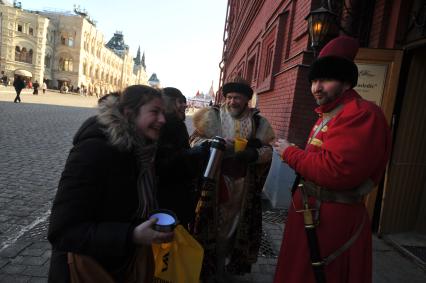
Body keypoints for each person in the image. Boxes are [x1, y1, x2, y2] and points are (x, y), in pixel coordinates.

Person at [273, 36, 391, 283]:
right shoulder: (329, 112)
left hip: (330, 221)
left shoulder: (362, 113)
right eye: (314, 80)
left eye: (325, 80)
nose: (316, 87)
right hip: (311, 211)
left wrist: (289, 153)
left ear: (346, 82)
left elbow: (334, 170)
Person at [47, 85, 173, 282]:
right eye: (155, 112)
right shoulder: (94, 151)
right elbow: (62, 230)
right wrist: (131, 235)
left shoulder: (142, 151)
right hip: (87, 270)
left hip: (121, 264)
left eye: (163, 113)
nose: (163, 120)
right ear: (129, 113)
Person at [190, 76, 275, 281]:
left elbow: (269, 150)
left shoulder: (258, 121)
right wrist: (215, 143)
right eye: (228, 97)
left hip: (244, 185)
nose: (231, 101)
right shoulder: (213, 116)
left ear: (247, 100)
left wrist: (253, 155)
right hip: (215, 182)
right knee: (213, 225)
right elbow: (194, 141)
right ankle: (211, 268)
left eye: (237, 98)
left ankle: (225, 266)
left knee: (236, 227)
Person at [155, 87, 208, 229]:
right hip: (170, 194)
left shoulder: (174, 123)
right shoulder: (169, 125)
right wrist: (193, 153)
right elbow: (162, 163)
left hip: (174, 192)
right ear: (169, 103)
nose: (185, 105)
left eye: (184, 101)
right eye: (180, 102)